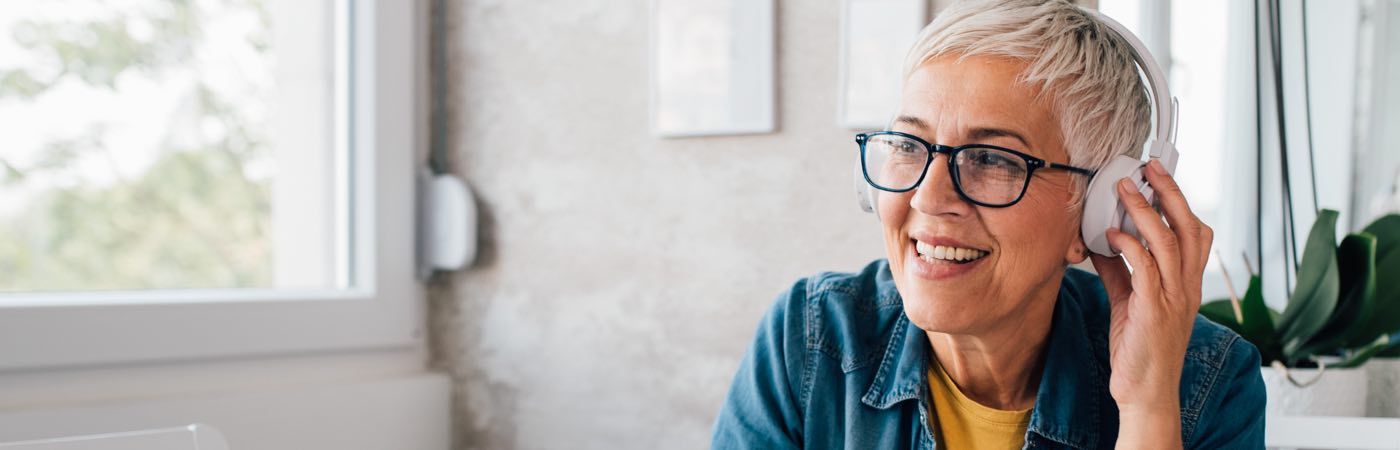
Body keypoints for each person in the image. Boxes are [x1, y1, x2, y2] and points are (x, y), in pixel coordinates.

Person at [710, 0, 1265, 448]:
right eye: (909, 144)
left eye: (994, 160)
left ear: (1098, 213)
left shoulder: (1206, 383)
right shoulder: (809, 342)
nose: (929, 198)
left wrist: (1147, 407)